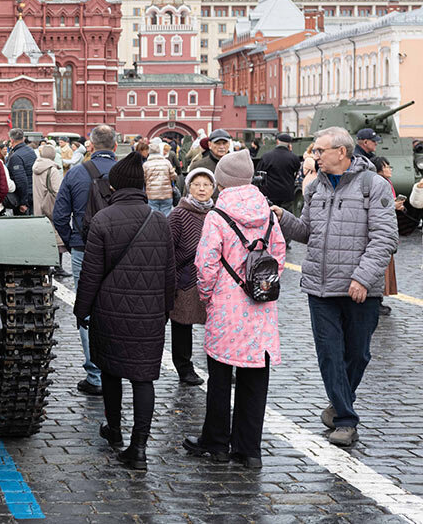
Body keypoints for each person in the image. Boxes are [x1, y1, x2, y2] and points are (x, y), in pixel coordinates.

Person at [273, 127, 397, 447]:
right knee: (329, 354)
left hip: (360, 289)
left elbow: (385, 238)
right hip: (321, 287)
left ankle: (340, 402)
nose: (314, 156)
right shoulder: (315, 188)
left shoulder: (374, 185)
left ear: (341, 152)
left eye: (319, 151)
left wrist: (361, 277)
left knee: (358, 354)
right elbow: (307, 232)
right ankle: (345, 418)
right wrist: (283, 217)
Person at [72, 151, 175, 471]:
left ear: (114, 187)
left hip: (110, 313)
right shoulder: (159, 220)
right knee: (144, 380)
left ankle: (114, 431)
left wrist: (81, 311)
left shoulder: (103, 219)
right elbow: (169, 274)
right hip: (149, 315)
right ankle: (139, 448)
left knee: (111, 372)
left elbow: (91, 274)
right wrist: (164, 311)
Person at [183, 150, 286, 469]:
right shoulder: (268, 214)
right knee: (256, 378)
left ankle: (216, 443)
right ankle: (249, 450)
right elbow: (279, 255)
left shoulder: (218, 215)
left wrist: (207, 295)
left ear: (224, 181)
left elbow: (206, 263)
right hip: (261, 309)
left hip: (226, 308)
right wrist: (263, 285)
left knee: (219, 376)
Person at [52, 124, 119, 396]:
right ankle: (117, 369)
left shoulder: (76, 173)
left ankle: (95, 375)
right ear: (115, 146)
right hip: (122, 250)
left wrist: (72, 243)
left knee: (87, 308)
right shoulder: (126, 172)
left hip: (85, 248)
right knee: (119, 306)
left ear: (90, 145)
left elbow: (59, 216)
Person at [166, 168, 215, 386]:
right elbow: (168, 247)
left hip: (214, 278)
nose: (202, 189)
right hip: (185, 277)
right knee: (182, 324)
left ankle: (220, 365)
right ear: (189, 188)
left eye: (206, 184)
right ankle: (184, 368)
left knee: (217, 325)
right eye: (197, 184)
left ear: (213, 188)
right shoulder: (179, 213)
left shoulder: (217, 213)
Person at [32, 144, 70, 277]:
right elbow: (58, 191)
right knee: (57, 237)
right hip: (50, 207)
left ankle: (45, 265)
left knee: (44, 237)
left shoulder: (36, 167)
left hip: (39, 206)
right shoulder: (52, 170)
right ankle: (58, 267)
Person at [371, 157, 398, 315]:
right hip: (381, 233)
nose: (390, 169)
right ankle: (376, 300)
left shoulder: (386, 183)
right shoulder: (380, 184)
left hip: (388, 231)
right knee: (381, 267)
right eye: (387, 167)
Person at [258, 133, 302, 211]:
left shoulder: (266, 156)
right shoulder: (294, 158)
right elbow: (297, 173)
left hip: (270, 193)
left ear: (277, 142)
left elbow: (259, 173)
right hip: (287, 194)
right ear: (289, 144)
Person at [4, 128, 36, 216]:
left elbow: (21, 180)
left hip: (22, 196)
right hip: (32, 192)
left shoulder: (16, 156)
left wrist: (23, 202)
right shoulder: (30, 151)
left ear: (11, 140)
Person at [143, 139, 176, 216]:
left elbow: (143, 179)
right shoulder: (167, 163)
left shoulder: (146, 165)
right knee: (167, 216)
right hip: (167, 194)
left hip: (151, 195)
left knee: (153, 217)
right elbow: (174, 176)